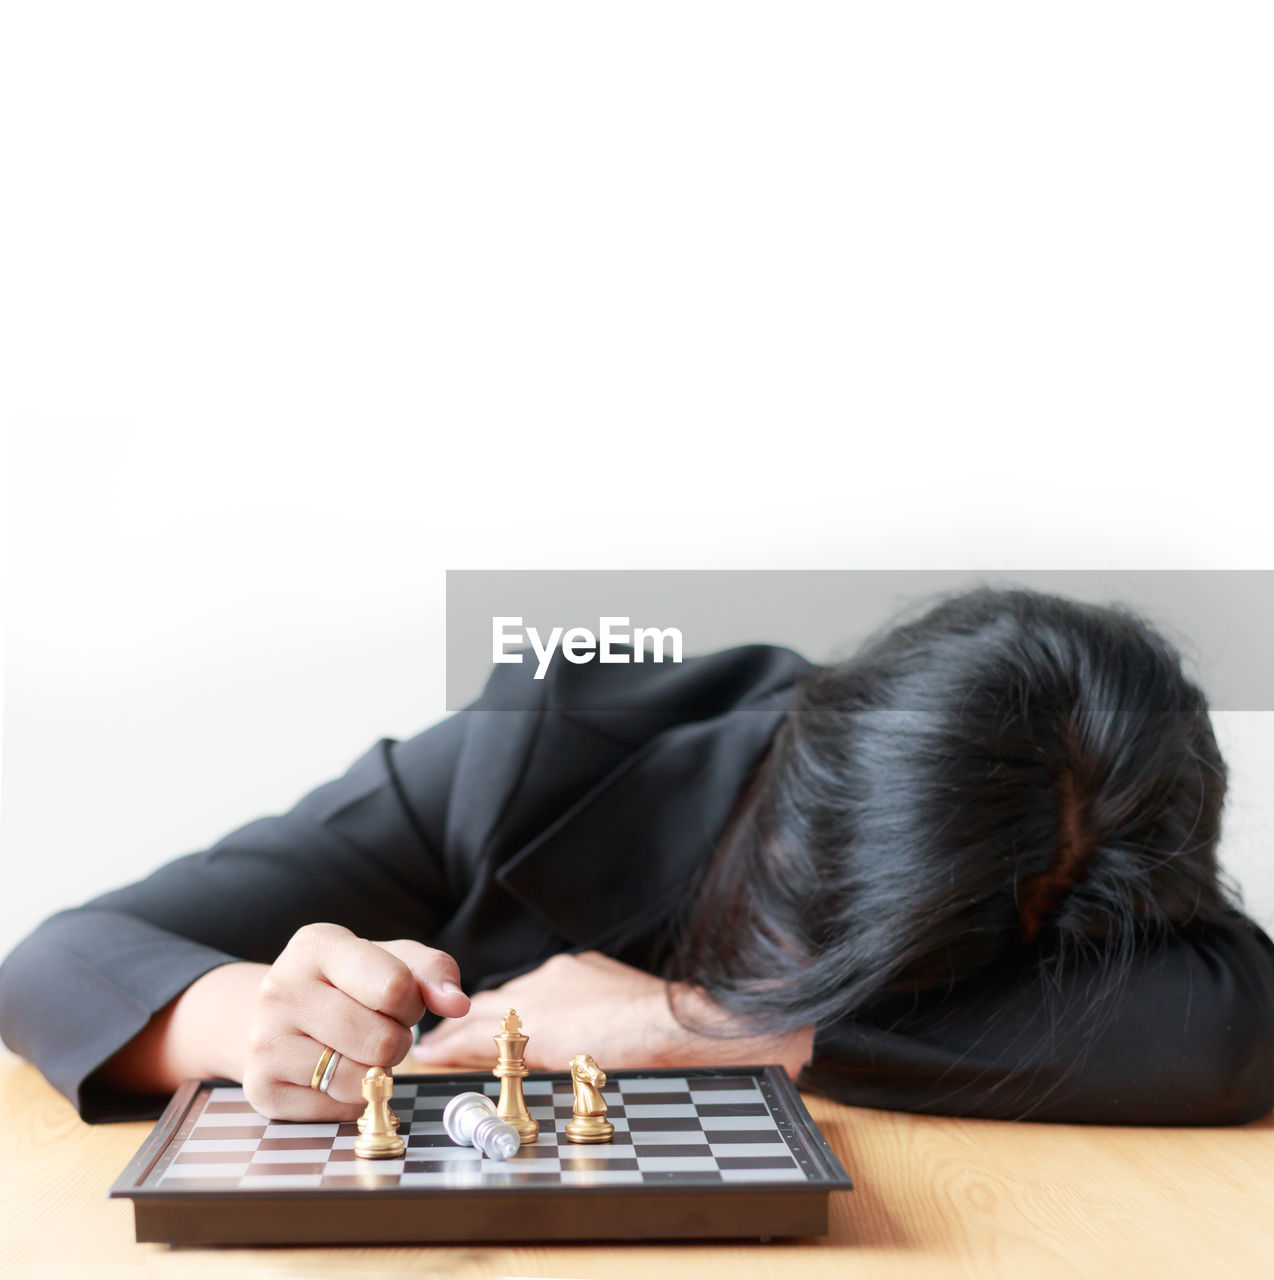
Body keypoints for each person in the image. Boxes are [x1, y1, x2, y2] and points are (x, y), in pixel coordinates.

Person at [1, 586, 1272, 1127]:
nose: (801, 967)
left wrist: (685, 1020)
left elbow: (1230, 1032)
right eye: (803, 908)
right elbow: (54, 963)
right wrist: (246, 1019)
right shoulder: (551, 741)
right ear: (802, 745)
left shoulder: (1082, 848)